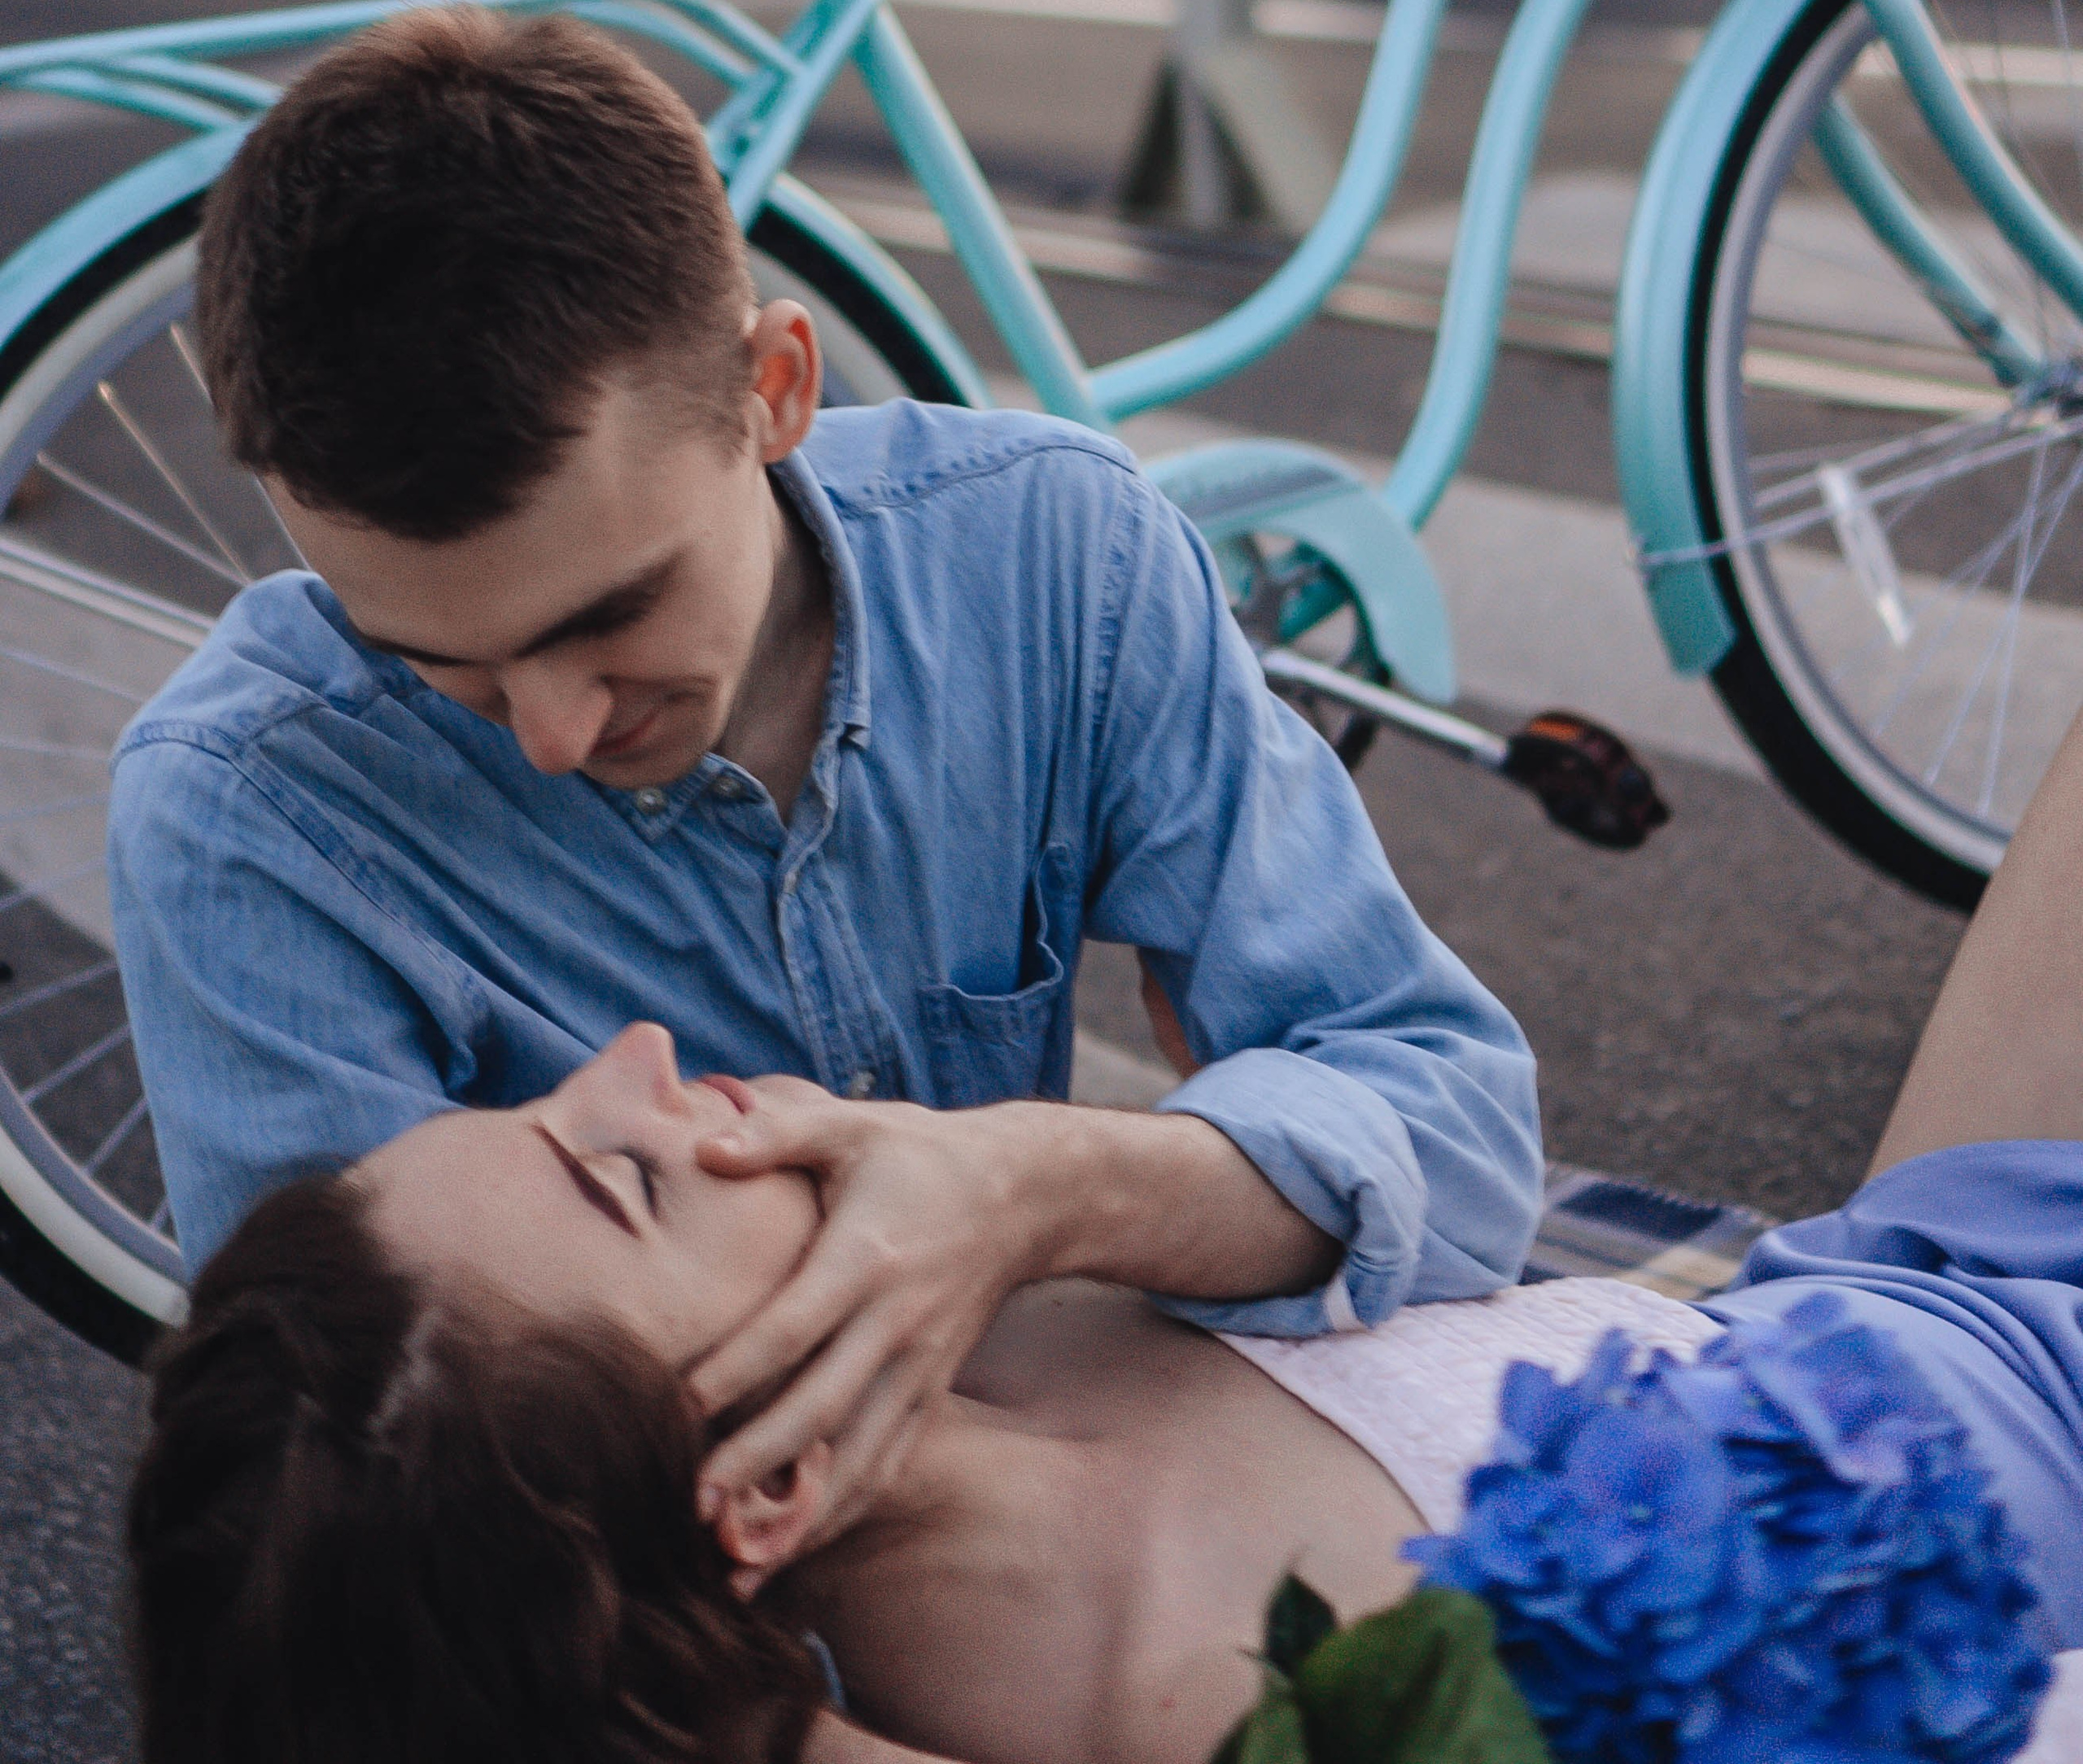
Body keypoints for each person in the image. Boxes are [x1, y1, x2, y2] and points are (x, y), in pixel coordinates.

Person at [107, 5, 1544, 1553]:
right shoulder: (248, 817)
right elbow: (374, 1526)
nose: (544, 735)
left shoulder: (1057, 553)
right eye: (432, 662)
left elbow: (1451, 1129)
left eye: (610, 615)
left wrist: (1027, 1190)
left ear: (775, 388)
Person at [128, 690, 2083, 1764]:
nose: (640, 1057)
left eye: (546, 1098)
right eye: (617, 1173)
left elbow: (1438, 1110)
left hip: (1897, 1274)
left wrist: (1044, 1174)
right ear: (759, 1477)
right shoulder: (1212, 1702)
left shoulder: (985, 1287)